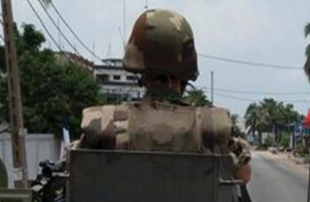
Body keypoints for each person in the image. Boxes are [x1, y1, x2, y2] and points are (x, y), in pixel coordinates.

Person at [78, 9, 251, 182]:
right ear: (186, 63)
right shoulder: (212, 127)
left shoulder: (103, 124)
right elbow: (243, 175)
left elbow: (75, 170)